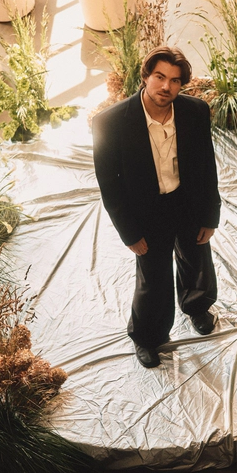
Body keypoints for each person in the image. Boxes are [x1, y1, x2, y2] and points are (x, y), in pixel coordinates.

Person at [92, 46, 221, 368]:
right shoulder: (110, 123)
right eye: (160, 77)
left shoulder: (195, 111)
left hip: (187, 201)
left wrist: (210, 215)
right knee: (154, 277)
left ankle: (196, 306)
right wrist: (129, 233)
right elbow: (110, 186)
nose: (166, 86)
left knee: (197, 259)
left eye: (175, 81)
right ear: (145, 76)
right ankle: (148, 337)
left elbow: (207, 165)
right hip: (147, 211)